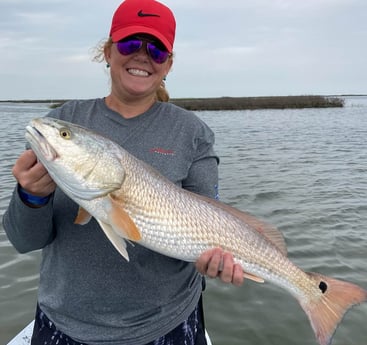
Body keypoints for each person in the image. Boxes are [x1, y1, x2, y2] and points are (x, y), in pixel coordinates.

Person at [3, 0, 244, 344]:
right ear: (108, 51)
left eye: (157, 50)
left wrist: (213, 261)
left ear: (168, 64)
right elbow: (23, 240)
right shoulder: (63, 123)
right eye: (131, 44)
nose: (143, 56)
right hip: (65, 322)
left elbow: (210, 218)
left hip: (168, 324)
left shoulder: (193, 132)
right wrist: (30, 196)